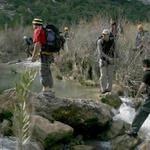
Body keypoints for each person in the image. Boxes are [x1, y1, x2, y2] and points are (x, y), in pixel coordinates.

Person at [126, 59, 150, 137]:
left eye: (142, 66)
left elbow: (142, 86)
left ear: (145, 65)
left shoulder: (147, 74)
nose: (142, 67)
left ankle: (133, 131)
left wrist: (136, 96)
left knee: (141, 112)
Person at [31, 18, 53, 92]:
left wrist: (33, 57)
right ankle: (50, 89)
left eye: (33, 24)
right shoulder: (44, 30)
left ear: (35, 24)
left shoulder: (37, 31)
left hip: (44, 55)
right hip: (49, 54)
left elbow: (37, 44)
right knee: (48, 70)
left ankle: (45, 90)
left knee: (43, 71)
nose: (33, 26)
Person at [97, 29, 116, 94]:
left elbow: (114, 51)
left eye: (105, 34)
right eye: (103, 34)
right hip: (103, 60)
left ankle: (109, 90)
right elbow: (100, 52)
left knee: (110, 76)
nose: (103, 35)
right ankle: (103, 90)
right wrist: (108, 58)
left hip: (111, 59)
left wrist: (114, 58)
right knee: (103, 76)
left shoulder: (112, 41)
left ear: (108, 35)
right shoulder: (99, 41)